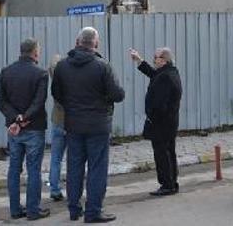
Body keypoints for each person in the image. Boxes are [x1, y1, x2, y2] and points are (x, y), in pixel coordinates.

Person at [52, 27, 125, 223]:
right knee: (97, 168)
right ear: (96, 43)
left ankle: (74, 210)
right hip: (98, 125)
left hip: (73, 124)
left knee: (74, 167)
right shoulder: (103, 66)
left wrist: (72, 106)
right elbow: (118, 95)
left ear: (78, 42)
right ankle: (93, 211)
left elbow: (56, 94)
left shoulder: (62, 66)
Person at [0, 38, 50, 221]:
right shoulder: (41, 74)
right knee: (33, 169)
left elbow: (0, 100)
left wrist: (14, 119)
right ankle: (33, 210)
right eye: (38, 51)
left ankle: (15, 210)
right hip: (33, 127)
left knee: (14, 169)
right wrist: (23, 118)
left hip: (13, 130)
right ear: (35, 52)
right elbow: (39, 101)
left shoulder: (6, 71)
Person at [129, 47, 183, 196]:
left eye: (156, 57)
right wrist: (139, 61)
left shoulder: (165, 77)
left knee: (162, 154)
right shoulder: (169, 72)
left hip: (162, 124)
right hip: (169, 122)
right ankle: (172, 183)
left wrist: (151, 117)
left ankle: (167, 185)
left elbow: (159, 104)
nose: (154, 60)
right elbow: (153, 74)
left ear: (164, 60)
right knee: (169, 152)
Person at [48, 54, 67, 202]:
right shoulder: (71, 80)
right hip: (72, 123)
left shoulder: (54, 82)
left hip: (58, 121)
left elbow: (53, 64)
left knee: (56, 158)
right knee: (74, 158)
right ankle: (73, 187)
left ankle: (54, 189)